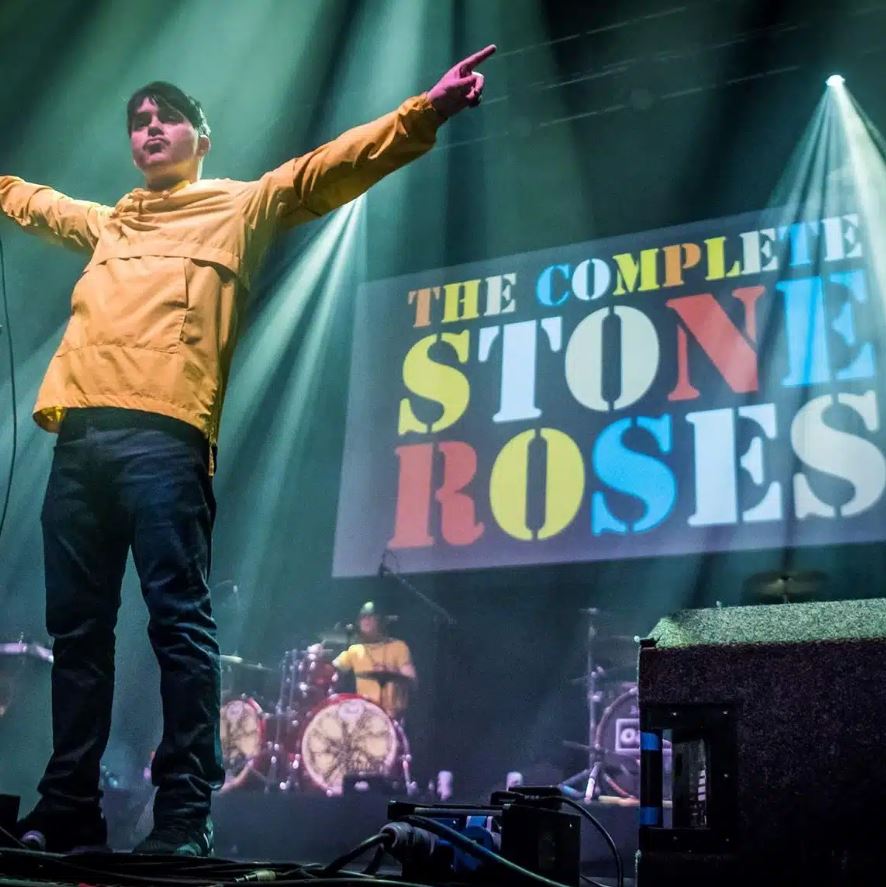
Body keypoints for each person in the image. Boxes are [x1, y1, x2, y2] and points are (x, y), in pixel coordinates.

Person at [0, 43, 495, 856]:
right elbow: (35, 202)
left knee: (178, 626)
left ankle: (185, 814)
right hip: (80, 437)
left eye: (165, 117)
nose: (148, 127)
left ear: (201, 136)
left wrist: (427, 109)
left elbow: (327, 168)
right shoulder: (112, 222)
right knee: (80, 636)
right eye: (137, 120)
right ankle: (67, 811)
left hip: (166, 439)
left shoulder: (238, 204)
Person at [333, 601, 416, 720]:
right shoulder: (355, 650)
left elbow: (411, 680)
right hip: (364, 715)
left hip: (392, 716)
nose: (366, 620)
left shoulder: (398, 646)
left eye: (371, 616)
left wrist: (392, 672)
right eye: (362, 617)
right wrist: (318, 653)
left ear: (381, 621)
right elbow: (331, 669)